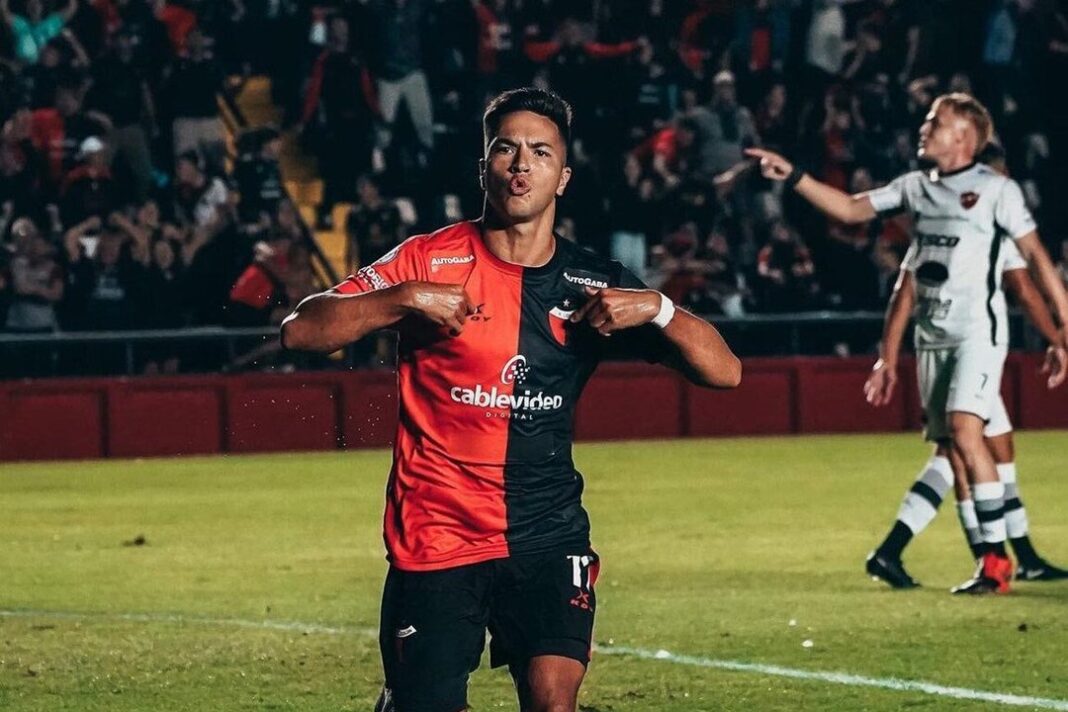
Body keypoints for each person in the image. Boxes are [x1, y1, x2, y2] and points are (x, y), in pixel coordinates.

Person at [281, 87, 740, 712]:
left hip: (548, 533)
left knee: (554, 701)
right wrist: (406, 298)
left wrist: (658, 307)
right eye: (507, 149)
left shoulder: (593, 284)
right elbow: (302, 329)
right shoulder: (429, 260)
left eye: (541, 152)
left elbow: (725, 372)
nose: (522, 164)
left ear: (563, 176)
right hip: (438, 532)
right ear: (484, 167)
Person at [746, 92, 1068, 595]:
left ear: (963, 136)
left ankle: (1000, 563)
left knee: (967, 432)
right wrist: (794, 176)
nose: (924, 129)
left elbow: (1035, 259)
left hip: (978, 333)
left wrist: (1063, 323)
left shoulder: (996, 191)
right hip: (932, 339)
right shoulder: (916, 188)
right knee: (955, 448)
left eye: (934, 122)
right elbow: (853, 211)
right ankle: (991, 560)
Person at [865, 239, 1068, 589]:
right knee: (960, 450)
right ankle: (985, 557)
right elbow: (1022, 285)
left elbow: (904, 294)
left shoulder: (941, 226)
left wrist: (890, 357)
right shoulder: (985, 223)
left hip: (955, 351)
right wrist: (1055, 335)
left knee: (987, 447)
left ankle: (1021, 555)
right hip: (969, 348)